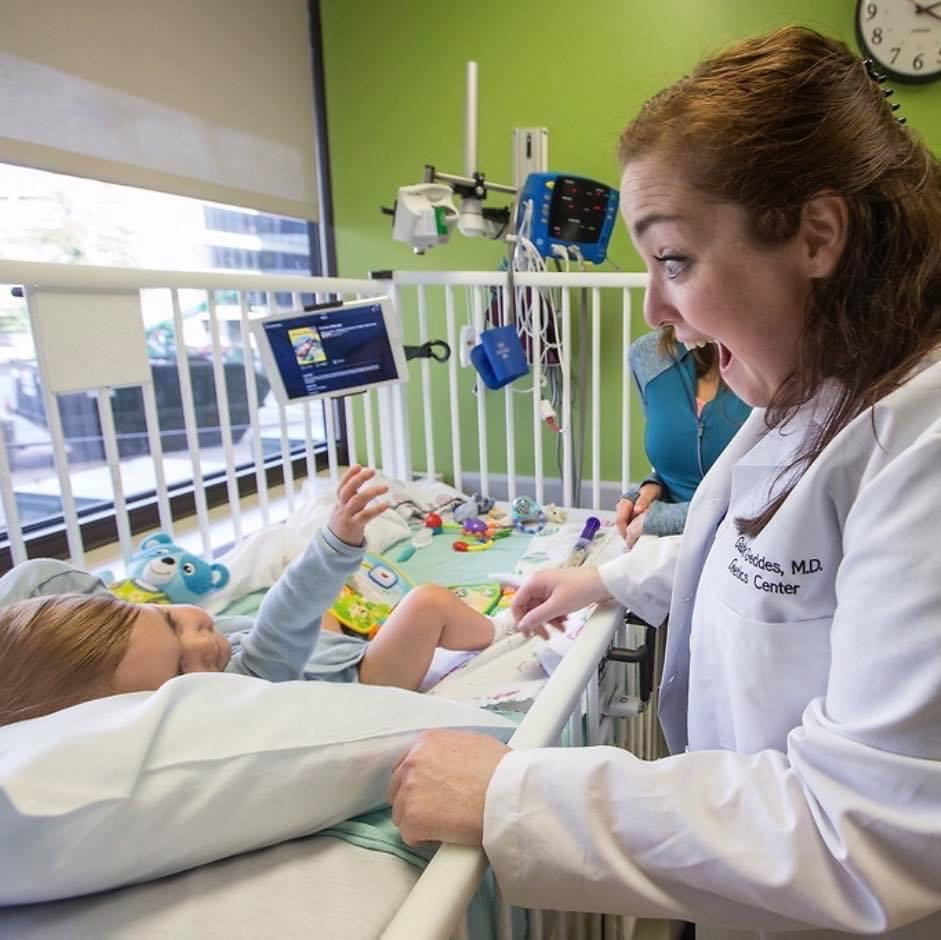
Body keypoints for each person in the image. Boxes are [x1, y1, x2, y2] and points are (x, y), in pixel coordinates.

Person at [389, 27, 941, 939]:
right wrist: (609, 577)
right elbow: (759, 558)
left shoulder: (921, 440)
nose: (654, 311)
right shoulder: (818, 389)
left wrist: (511, 791)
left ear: (816, 234)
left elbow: (869, 836)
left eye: (674, 260)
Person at [0, 465, 514, 726]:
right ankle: (506, 632)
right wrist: (335, 541)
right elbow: (281, 619)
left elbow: (37, 579)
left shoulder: (151, 654)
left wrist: (70, 630)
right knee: (425, 602)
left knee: (320, 616)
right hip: (364, 677)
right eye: (182, 669)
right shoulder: (242, 680)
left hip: (318, 653)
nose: (201, 639)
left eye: (170, 620)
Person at [616, 326, 750, 547]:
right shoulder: (647, 356)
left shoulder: (775, 363)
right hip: (666, 549)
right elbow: (685, 457)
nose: (652, 315)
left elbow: (771, 500)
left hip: (743, 553)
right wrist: (647, 493)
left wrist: (665, 519)